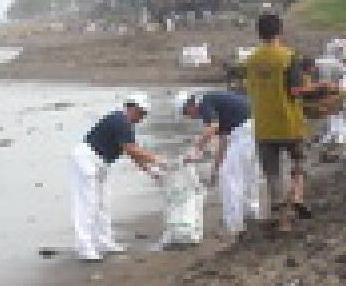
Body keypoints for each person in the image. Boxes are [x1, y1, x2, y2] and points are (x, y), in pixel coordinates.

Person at [245, 13, 322, 234]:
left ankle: (279, 214)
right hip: (289, 122)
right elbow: (296, 90)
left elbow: (251, 87)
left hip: (263, 125)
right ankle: (297, 196)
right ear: (280, 32)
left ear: (259, 34)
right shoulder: (288, 57)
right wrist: (318, 87)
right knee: (300, 160)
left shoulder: (251, 60)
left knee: (272, 173)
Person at [70, 94, 163, 261]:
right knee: (87, 203)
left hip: (101, 163)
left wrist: (151, 172)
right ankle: (84, 247)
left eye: (144, 115)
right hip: (87, 159)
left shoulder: (125, 123)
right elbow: (132, 149)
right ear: (132, 108)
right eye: (141, 114)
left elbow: (132, 153)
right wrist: (157, 160)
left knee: (103, 203)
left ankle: (105, 242)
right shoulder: (120, 121)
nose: (142, 118)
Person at [176, 90, 260, 235]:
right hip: (255, 130)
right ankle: (251, 216)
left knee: (229, 178)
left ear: (189, 105)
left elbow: (213, 128)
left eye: (187, 113)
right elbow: (223, 142)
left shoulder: (204, 102)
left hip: (245, 133)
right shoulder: (216, 105)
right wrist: (215, 169)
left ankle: (233, 224)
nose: (190, 117)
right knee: (247, 176)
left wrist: (196, 149)